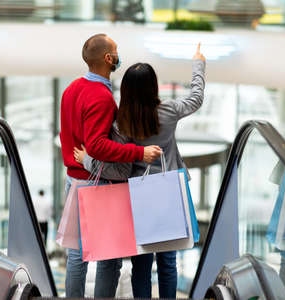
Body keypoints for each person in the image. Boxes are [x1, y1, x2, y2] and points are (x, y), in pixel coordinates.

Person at [73, 43, 206, 298]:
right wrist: (198, 62)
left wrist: (86, 160)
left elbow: (114, 166)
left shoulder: (122, 124)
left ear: (126, 91)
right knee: (168, 262)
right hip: (170, 193)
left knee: (141, 264)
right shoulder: (169, 111)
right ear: (153, 87)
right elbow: (197, 97)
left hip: (137, 197)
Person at [59, 33, 162, 298]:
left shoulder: (72, 88)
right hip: (95, 183)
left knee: (77, 255)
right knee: (108, 257)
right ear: (108, 58)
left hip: (73, 178)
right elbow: (97, 146)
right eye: (116, 51)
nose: (118, 55)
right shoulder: (101, 97)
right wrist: (139, 152)